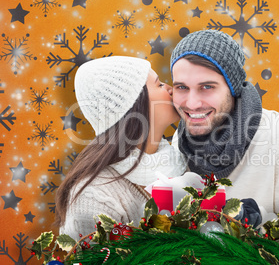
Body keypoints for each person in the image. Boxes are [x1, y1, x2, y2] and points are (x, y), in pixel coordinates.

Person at [170, 30, 279, 235]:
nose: (191, 103)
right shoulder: (180, 140)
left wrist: (247, 223)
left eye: (207, 87)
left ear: (232, 88)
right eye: (182, 87)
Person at [54, 56, 186, 240]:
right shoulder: (93, 197)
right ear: (134, 107)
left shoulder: (181, 161)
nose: (171, 89)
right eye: (159, 85)